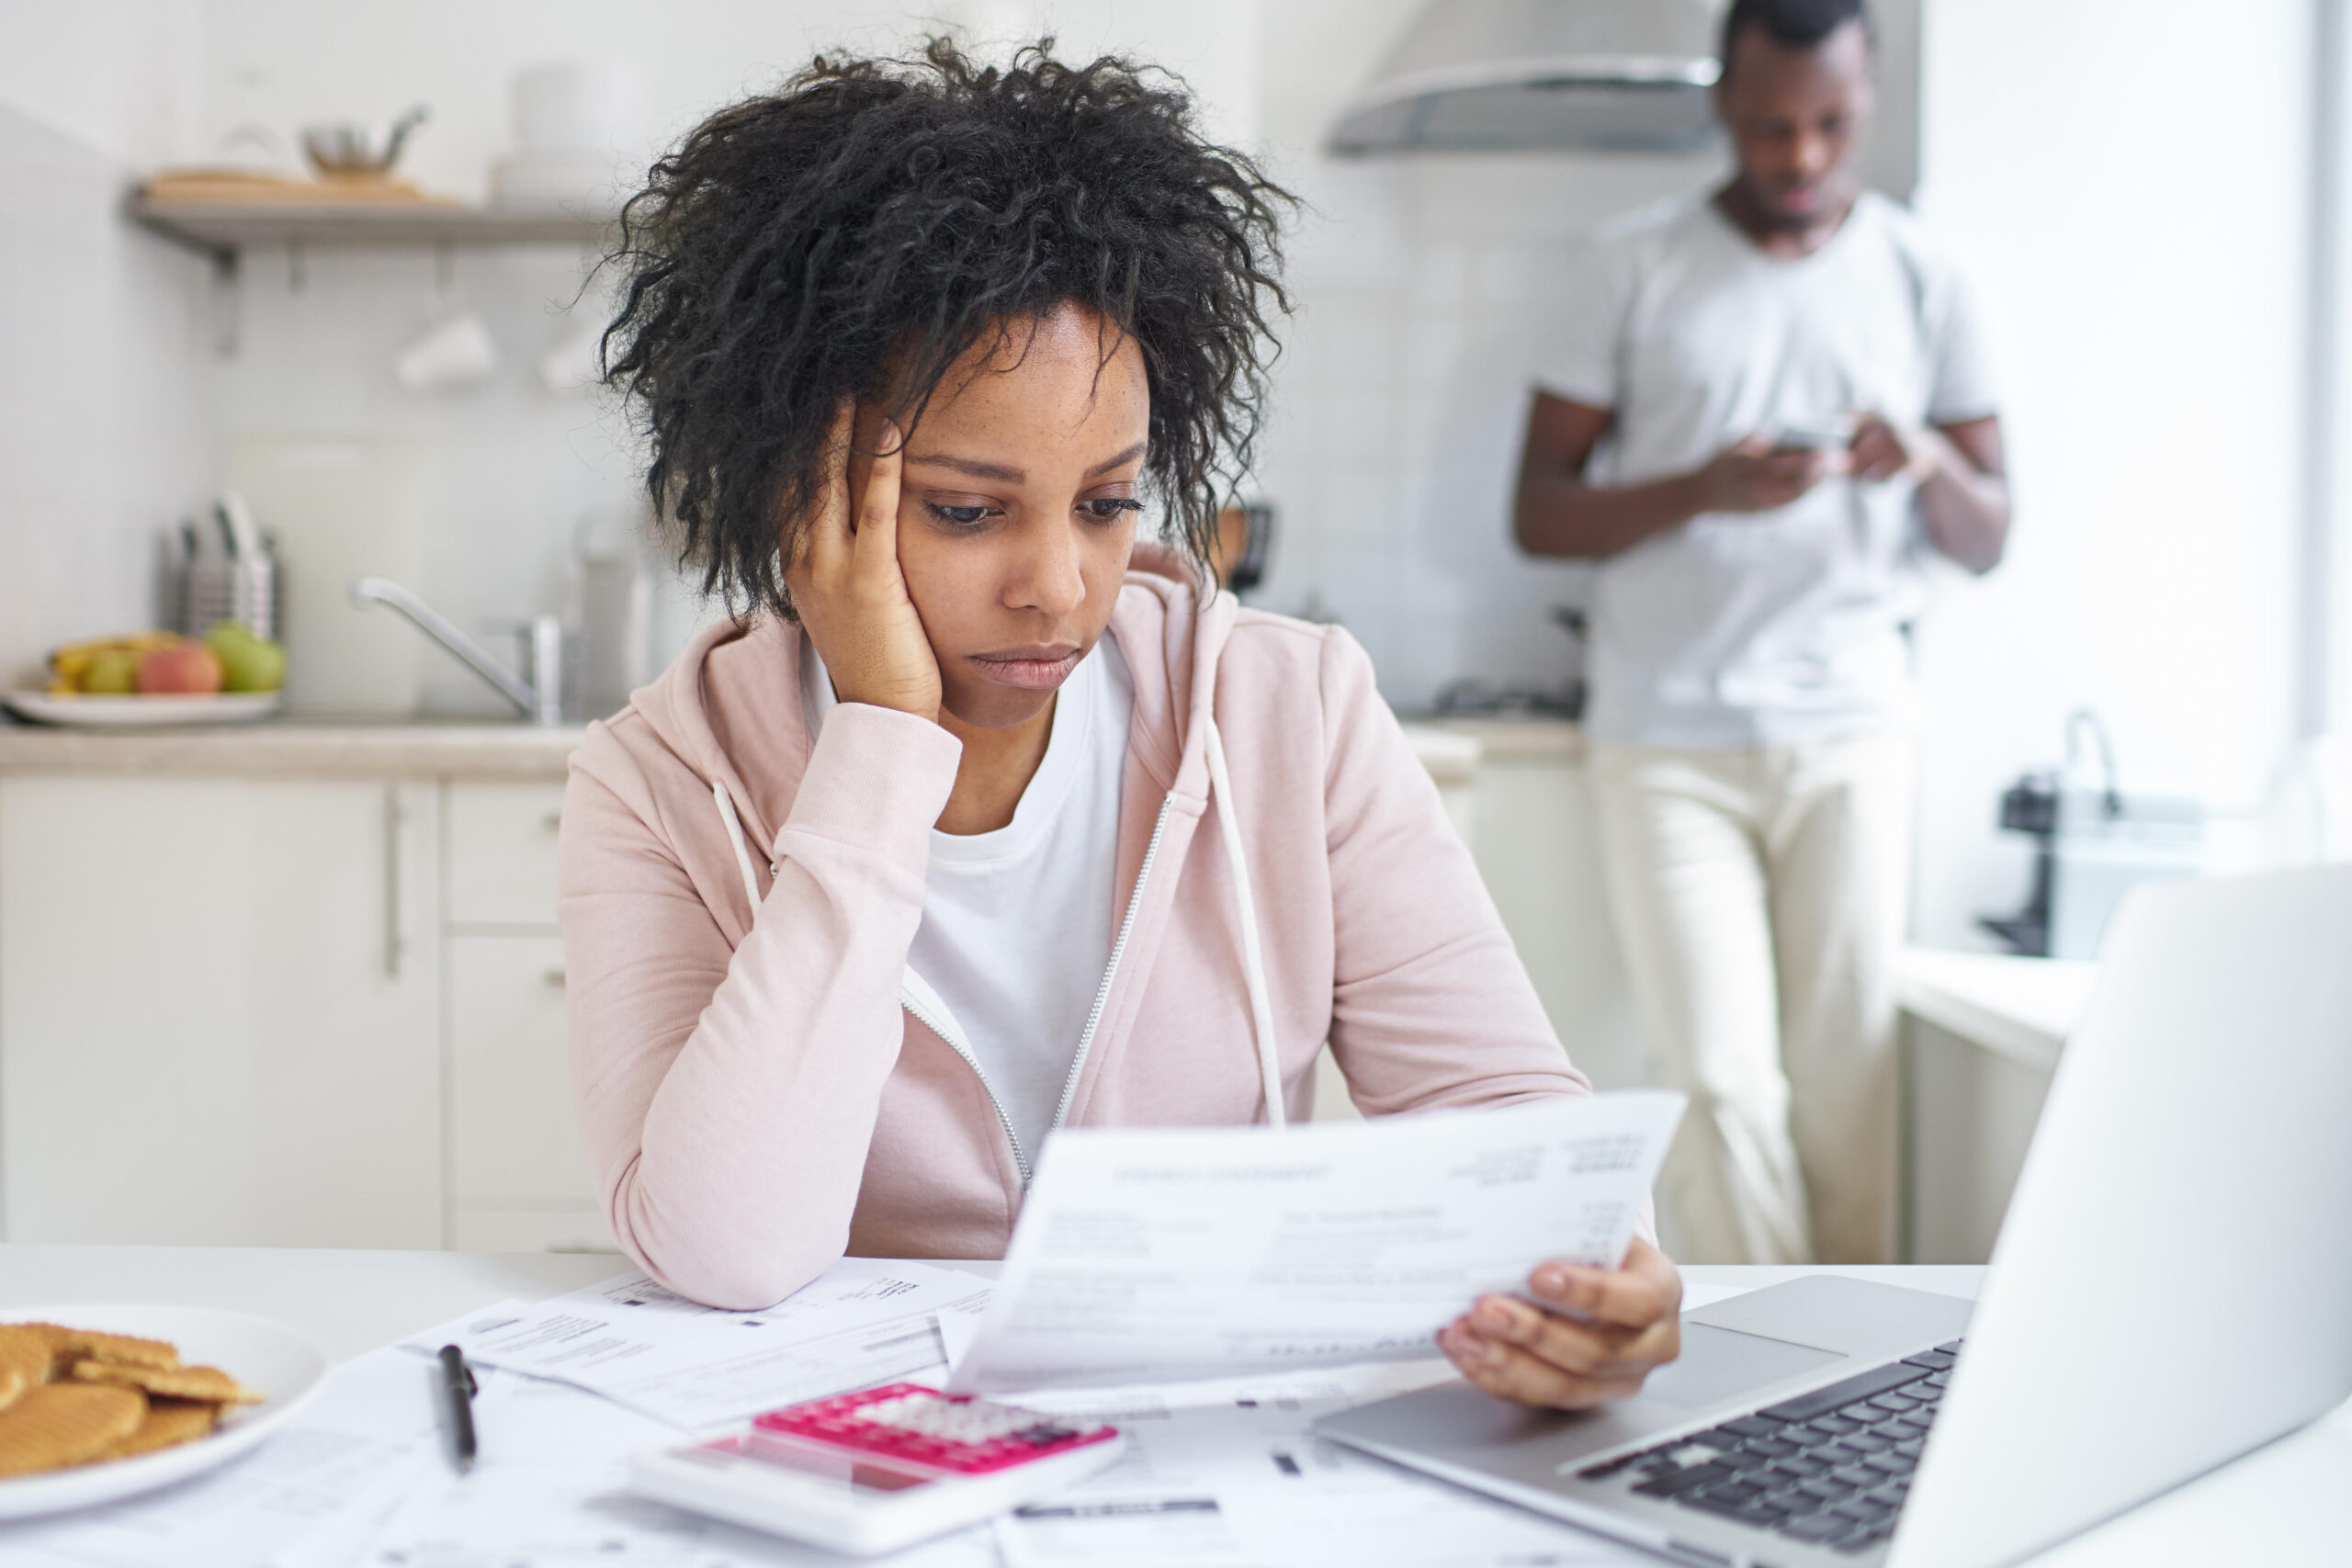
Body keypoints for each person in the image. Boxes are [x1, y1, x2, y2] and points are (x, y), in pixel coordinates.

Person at [561, 40, 1682, 1410]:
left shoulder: (1290, 711)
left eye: (1105, 502)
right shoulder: (660, 781)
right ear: (801, 493)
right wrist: (883, 739)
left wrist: (1597, 1276)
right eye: (969, 510)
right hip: (866, 1465)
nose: (1058, 585)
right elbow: (728, 1251)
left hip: (1212, 1452)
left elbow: (1506, 1124)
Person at [1512, 0, 2009, 1266]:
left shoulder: (1923, 274)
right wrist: (1699, 487)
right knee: (1722, 1088)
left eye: (1830, 124)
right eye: (1772, 124)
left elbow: (1989, 531)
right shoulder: (1632, 265)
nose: (1799, 157)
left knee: (1849, 1089)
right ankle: (1769, 1359)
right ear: (1725, 103)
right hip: (1666, 739)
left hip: (1851, 732)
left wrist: (1928, 455)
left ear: (1868, 103)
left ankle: (1851, 1373)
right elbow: (1538, 512)